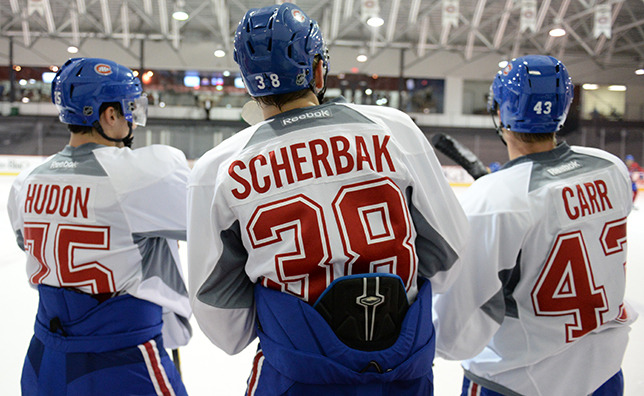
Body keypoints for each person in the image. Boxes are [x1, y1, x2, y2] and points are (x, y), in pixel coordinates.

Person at [187, 3, 469, 395]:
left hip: (298, 373)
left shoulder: (220, 167)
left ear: (250, 81)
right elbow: (449, 257)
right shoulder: (394, 130)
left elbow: (224, 326)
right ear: (318, 69)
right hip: (404, 368)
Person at [433, 55, 637, 396]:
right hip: (603, 374)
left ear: (499, 111)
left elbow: (451, 333)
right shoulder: (610, 166)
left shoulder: (494, 201)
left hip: (518, 383)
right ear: (565, 107)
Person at [7, 57, 191, 396]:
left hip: (45, 358)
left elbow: (27, 242)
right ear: (108, 115)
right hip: (122, 359)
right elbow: (204, 223)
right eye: (128, 108)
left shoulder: (26, 183)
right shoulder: (143, 174)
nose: (132, 117)